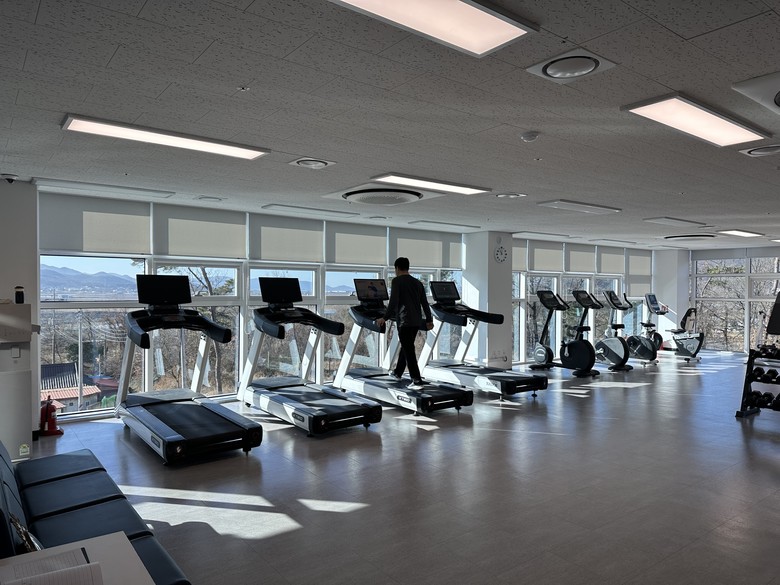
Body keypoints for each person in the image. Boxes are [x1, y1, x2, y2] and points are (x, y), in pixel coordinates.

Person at [376, 257, 433, 390]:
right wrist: (429, 320)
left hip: (404, 321)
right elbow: (425, 303)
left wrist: (384, 318)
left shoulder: (397, 281)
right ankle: (398, 373)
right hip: (416, 321)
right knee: (406, 346)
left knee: (409, 350)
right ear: (407, 267)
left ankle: (416, 380)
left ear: (397, 268)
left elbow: (393, 302)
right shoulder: (418, 283)